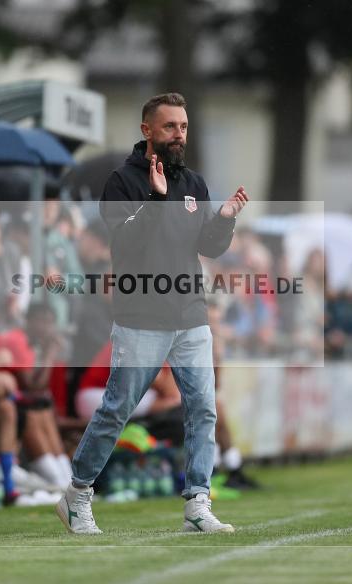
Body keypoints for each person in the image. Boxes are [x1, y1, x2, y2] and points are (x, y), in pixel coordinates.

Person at [55, 92, 249, 535]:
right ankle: (78, 495)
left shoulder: (194, 185)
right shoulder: (121, 182)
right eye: (169, 127)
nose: (178, 135)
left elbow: (209, 247)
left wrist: (225, 218)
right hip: (141, 315)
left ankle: (198, 504)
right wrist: (157, 202)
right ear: (147, 131)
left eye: (183, 127)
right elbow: (125, 246)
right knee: (116, 409)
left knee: (203, 410)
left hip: (191, 314)